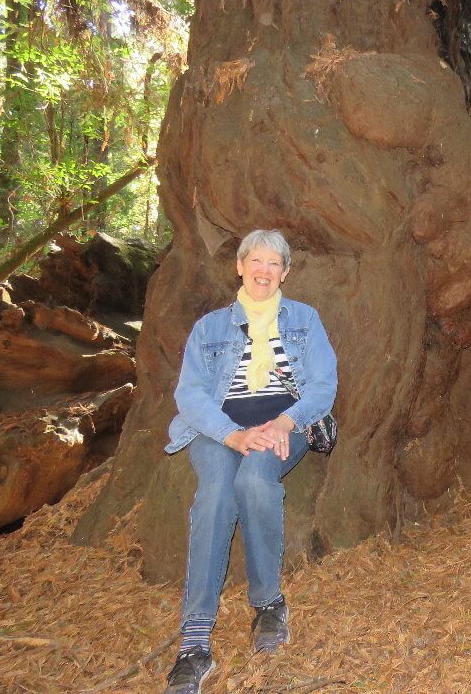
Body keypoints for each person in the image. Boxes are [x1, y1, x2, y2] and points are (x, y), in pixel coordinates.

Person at [162, 229, 337, 694]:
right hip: (220, 431)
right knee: (216, 494)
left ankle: (268, 603)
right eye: (255, 261)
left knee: (256, 483)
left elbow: (323, 385)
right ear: (239, 266)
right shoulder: (210, 327)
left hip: (284, 426)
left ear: (285, 272)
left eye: (273, 263)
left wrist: (285, 421)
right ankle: (195, 643)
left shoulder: (304, 320)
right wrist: (232, 434)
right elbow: (191, 395)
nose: (263, 270)